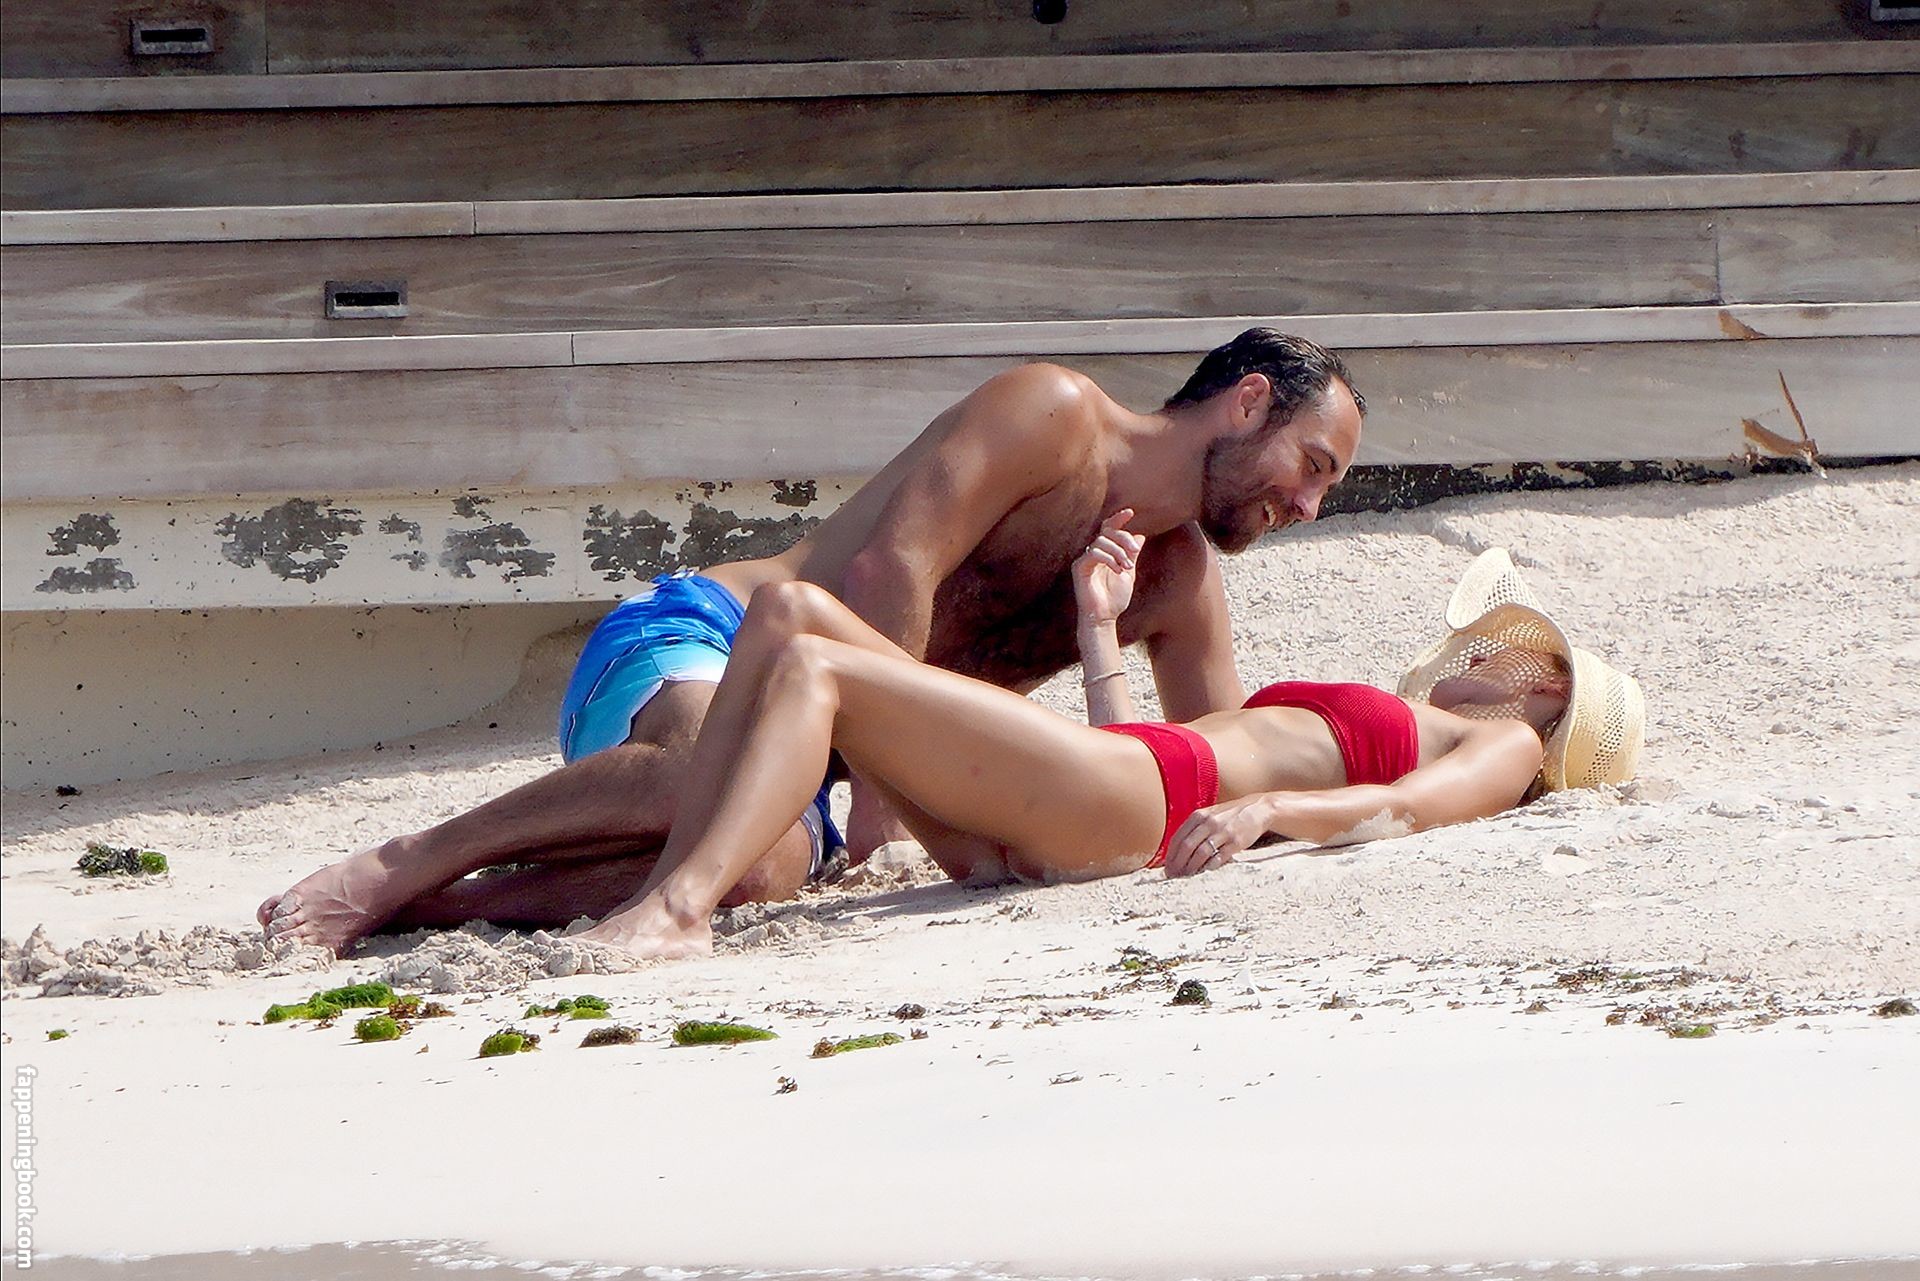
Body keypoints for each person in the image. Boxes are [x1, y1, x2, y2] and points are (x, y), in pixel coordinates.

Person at [258, 329, 1367, 954]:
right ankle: (402, 862)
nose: (1309, 505)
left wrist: (1381, 779)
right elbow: (895, 566)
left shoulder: (1176, 581)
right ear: (1246, 403)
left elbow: (1205, 766)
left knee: (764, 866)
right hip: (711, 634)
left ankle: (436, 909)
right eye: (1311, 466)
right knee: (707, 771)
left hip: (819, 751)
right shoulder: (1058, 416)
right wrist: (889, 792)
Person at [566, 542, 1646, 959]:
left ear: (1547, 690)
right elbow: (1156, 747)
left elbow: (1416, 810)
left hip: (1138, 802)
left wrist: (1275, 814)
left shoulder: (1508, 741)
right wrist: (1099, 627)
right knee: (788, 615)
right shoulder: (1434, 720)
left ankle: (678, 908)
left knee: (813, 660)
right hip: (1119, 790)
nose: (1474, 658)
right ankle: (672, 889)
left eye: (1507, 655)